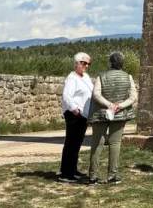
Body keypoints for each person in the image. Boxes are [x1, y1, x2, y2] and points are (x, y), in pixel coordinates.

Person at [87, 51, 139, 184]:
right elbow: (133, 97)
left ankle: (93, 176)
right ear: (122, 63)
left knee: (97, 144)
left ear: (110, 63)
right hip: (119, 114)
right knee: (115, 143)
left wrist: (110, 105)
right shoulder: (128, 77)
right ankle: (112, 175)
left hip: (100, 114)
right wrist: (119, 106)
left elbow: (96, 95)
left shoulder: (101, 76)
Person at [58, 52, 92, 183]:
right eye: (84, 63)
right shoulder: (72, 78)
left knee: (77, 143)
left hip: (83, 115)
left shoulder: (86, 77)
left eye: (88, 64)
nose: (86, 66)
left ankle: (72, 169)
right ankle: (66, 173)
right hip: (75, 114)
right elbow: (67, 96)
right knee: (71, 143)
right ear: (76, 63)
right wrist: (74, 109)